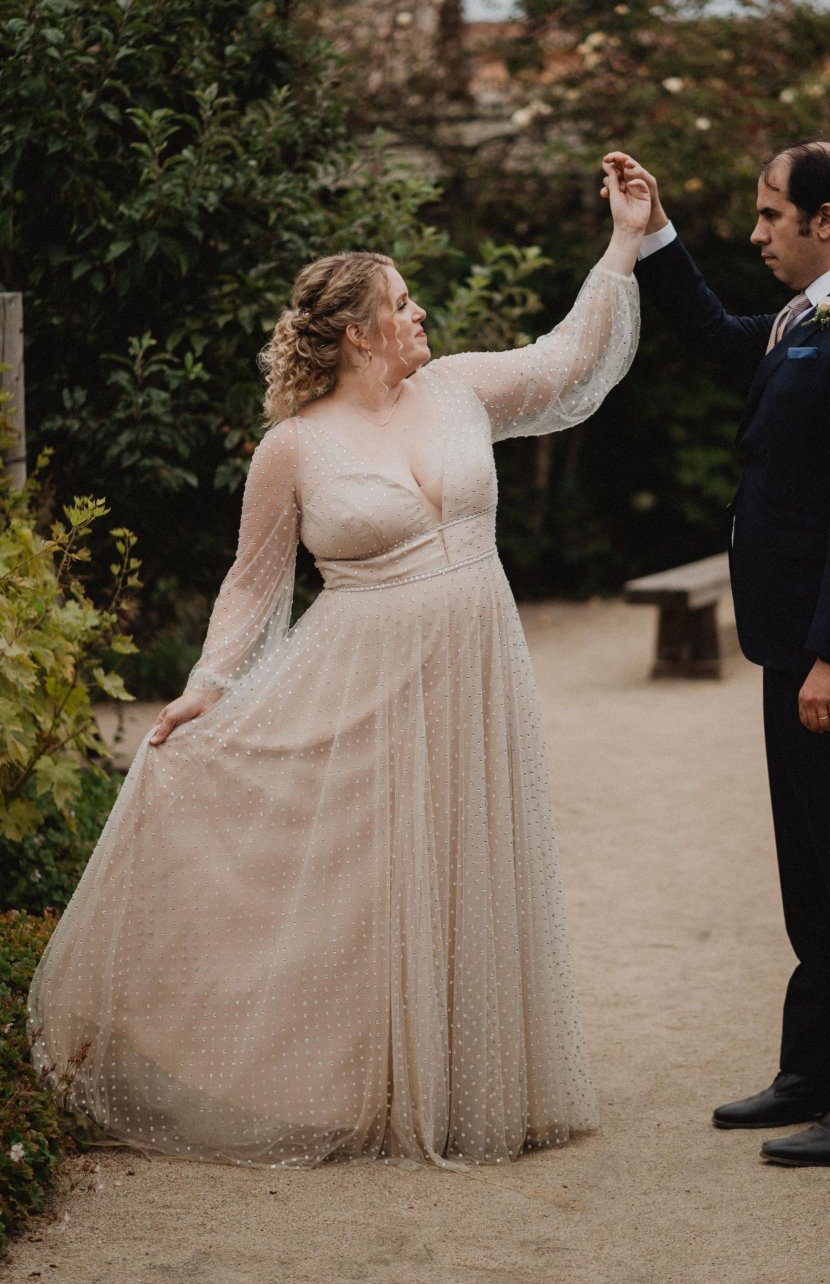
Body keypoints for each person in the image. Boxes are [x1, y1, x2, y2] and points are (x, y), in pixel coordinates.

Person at [28, 161, 651, 1169]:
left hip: (475, 668)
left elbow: (567, 357)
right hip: (359, 679)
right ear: (358, 332)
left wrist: (624, 240)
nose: (419, 313)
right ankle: (351, 1090)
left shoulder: (458, 390)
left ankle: (473, 1088)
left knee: (466, 862)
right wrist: (205, 689)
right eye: (402, 303)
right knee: (361, 886)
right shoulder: (292, 448)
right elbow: (252, 585)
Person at [609, 140, 830, 1168]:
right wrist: (650, 231)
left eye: (768, 214)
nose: (755, 234)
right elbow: (717, 339)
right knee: (810, 864)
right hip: (793, 641)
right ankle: (812, 1069)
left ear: (824, 220)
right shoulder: (811, 317)